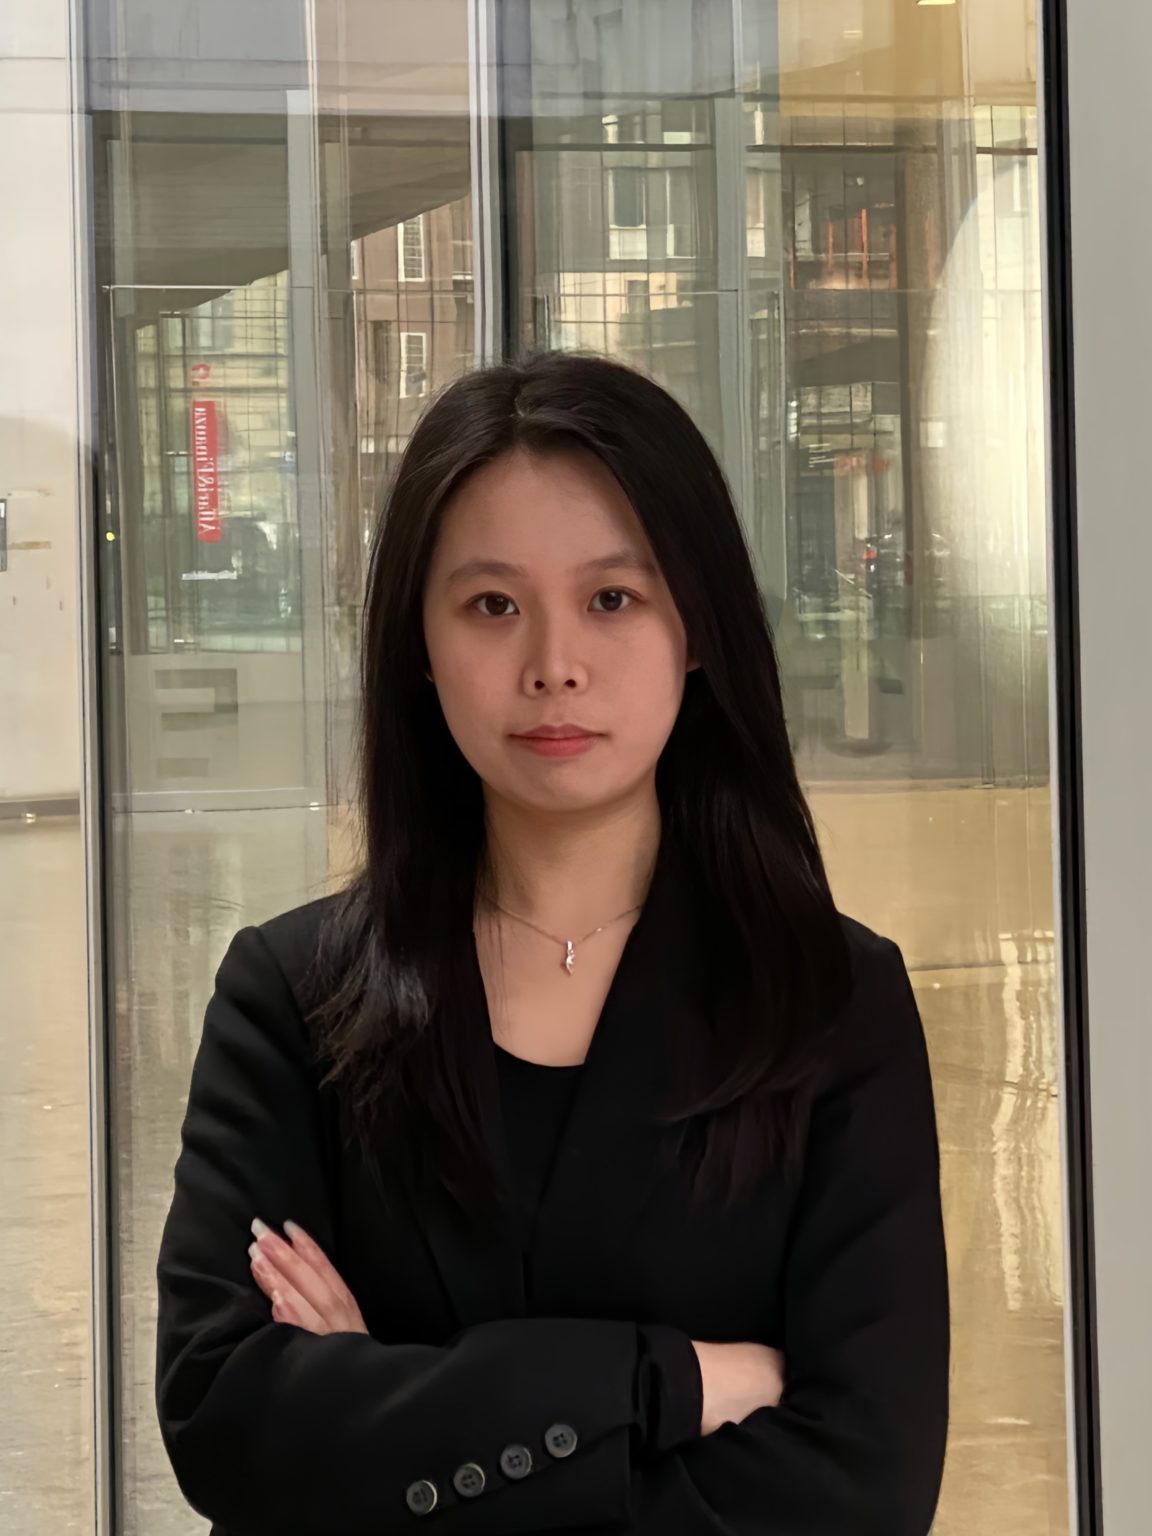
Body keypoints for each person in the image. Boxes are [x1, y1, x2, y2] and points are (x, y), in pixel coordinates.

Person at [155, 350, 949, 1536]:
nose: (553, 666)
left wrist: (391, 1413)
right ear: (419, 645)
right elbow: (226, 1419)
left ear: (697, 629)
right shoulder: (294, 1000)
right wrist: (666, 1381)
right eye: (492, 606)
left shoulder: (831, 1002)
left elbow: (862, 1489)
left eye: (612, 599)